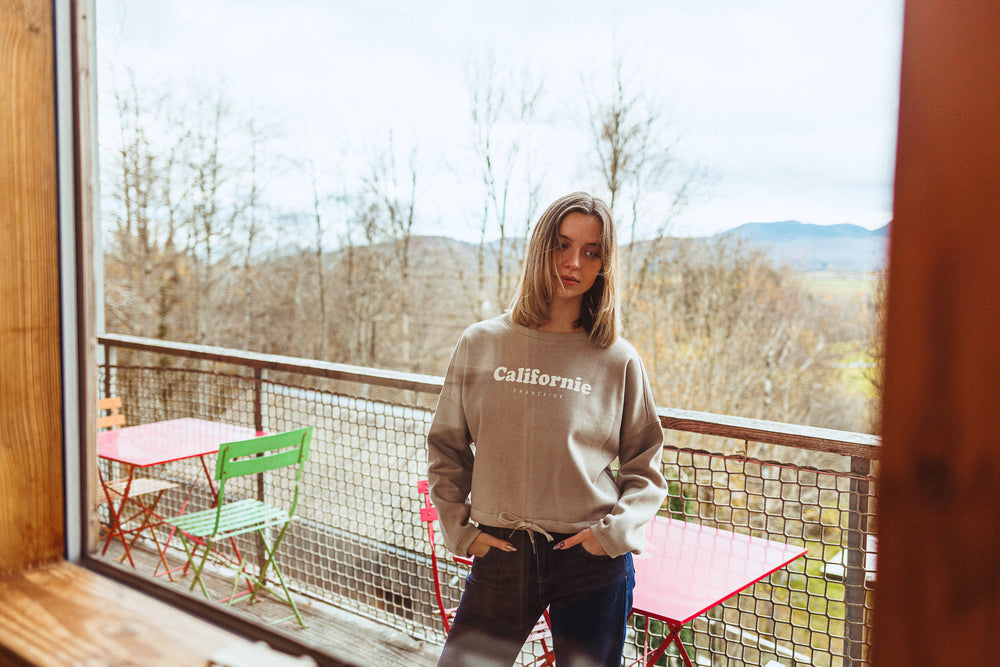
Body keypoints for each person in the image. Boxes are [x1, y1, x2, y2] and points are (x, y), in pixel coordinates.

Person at [427, 191, 668, 666]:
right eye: (561, 245)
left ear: (604, 264)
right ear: (540, 248)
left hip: (590, 559)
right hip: (502, 553)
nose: (573, 262)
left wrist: (613, 533)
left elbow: (646, 464)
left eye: (591, 251)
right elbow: (447, 446)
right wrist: (460, 530)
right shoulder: (480, 343)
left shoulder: (617, 358)